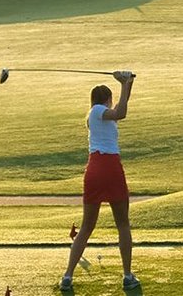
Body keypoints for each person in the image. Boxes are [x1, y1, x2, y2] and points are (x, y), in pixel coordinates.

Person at [63, 70, 139, 291]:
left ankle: (68, 276)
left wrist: (129, 83)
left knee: (87, 226)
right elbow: (121, 112)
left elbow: (121, 106)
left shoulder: (97, 114)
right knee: (122, 224)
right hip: (109, 167)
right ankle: (127, 275)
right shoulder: (97, 111)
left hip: (95, 169)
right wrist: (123, 83)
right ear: (106, 100)